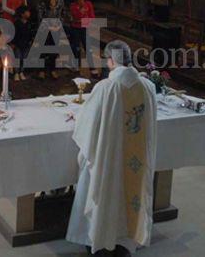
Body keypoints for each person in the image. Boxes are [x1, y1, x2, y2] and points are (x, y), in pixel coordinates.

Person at [67, 40, 158, 256]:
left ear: (111, 61)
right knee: (131, 193)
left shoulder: (107, 88)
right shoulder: (147, 87)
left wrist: (78, 117)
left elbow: (88, 125)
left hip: (109, 161)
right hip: (136, 162)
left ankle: (101, 236)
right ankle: (127, 240)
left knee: (104, 190)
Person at [70, 0, 100, 78]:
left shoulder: (89, 4)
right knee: (76, 47)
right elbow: (75, 18)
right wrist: (81, 15)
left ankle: (92, 67)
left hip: (85, 29)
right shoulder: (73, 6)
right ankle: (76, 65)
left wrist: (82, 20)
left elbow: (92, 17)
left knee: (88, 48)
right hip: (75, 29)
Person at [37, 0, 66, 79]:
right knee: (43, 50)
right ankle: (41, 70)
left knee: (54, 49)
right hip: (44, 28)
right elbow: (40, 16)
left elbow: (62, 14)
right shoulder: (42, 2)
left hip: (56, 28)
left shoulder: (60, 0)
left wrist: (57, 25)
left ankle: (52, 69)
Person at [11, 6, 32, 81]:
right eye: (27, 12)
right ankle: (16, 72)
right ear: (22, 14)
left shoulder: (29, 24)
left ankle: (21, 72)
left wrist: (30, 42)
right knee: (17, 58)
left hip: (26, 44)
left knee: (24, 58)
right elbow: (14, 34)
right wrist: (13, 43)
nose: (29, 13)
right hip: (18, 44)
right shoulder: (17, 23)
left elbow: (30, 34)